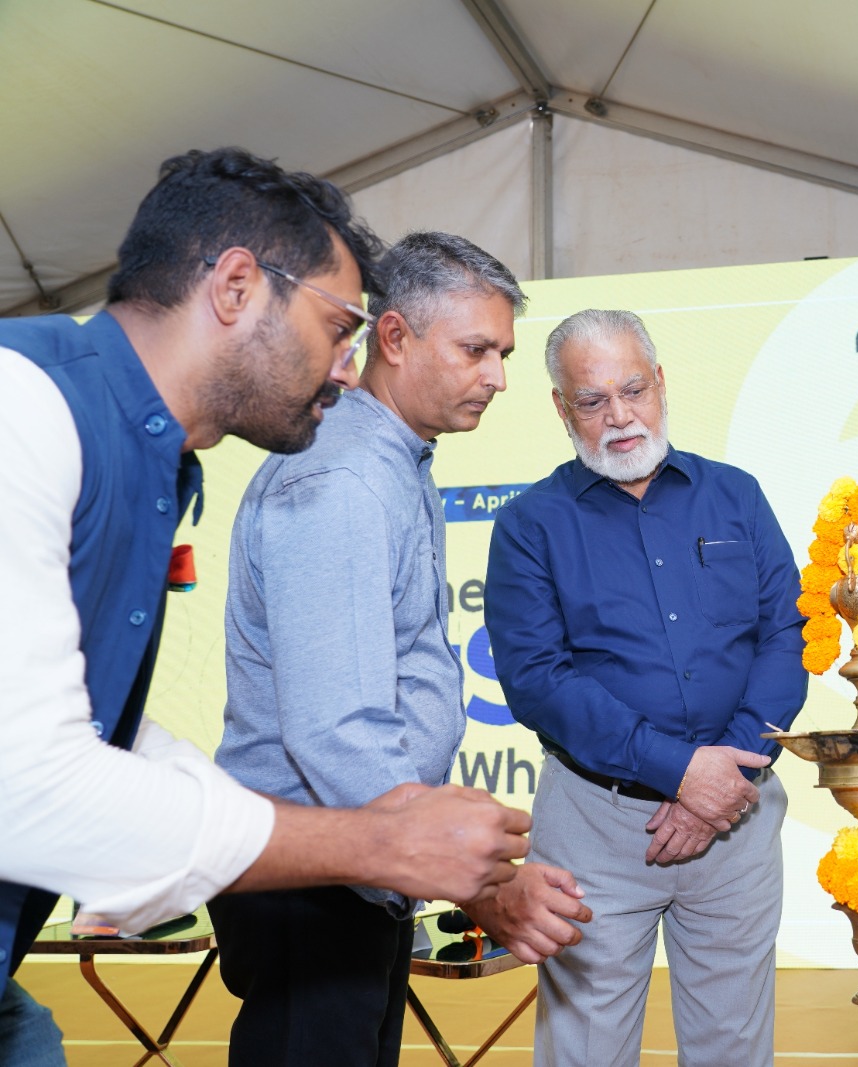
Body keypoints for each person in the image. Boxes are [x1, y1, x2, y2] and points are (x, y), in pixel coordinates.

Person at [0, 149, 532, 1066]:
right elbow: (33, 779)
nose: (346, 370)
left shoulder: (150, 456)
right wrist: (383, 842)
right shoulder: (26, 410)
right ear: (237, 287)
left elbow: (91, 728)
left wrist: (400, 843)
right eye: (338, 328)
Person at [208, 231, 589, 1067]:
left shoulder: (390, 461)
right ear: (393, 337)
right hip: (313, 881)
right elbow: (338, 728)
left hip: (352, 871)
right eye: (476, 350)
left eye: (503, 354)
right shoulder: (343, 479)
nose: (497, 377)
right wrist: (477, 876)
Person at [483, 308, 807, 1067]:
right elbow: (538, 681)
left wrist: (722, 773)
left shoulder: (737, 496)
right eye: (592, 400)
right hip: (594, 825)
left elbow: (786, 635)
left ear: (660, 382)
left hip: (738, 814)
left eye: (633, 390)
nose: (620, 416)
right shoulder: (529, 525)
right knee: (584, 1051)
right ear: (561, 408)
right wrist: (681, 772)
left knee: (734, 1050)